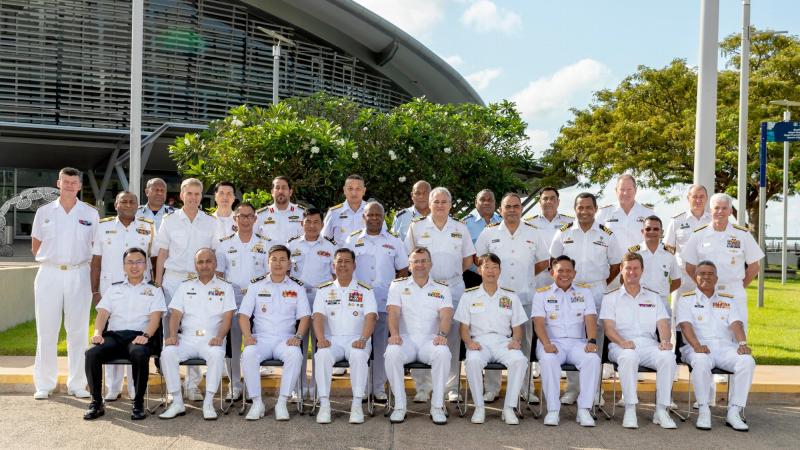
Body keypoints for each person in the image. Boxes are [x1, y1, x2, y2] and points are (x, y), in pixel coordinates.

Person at [31, 167, 99, 400]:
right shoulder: (44, 212)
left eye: (74, 182)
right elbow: (35, 246)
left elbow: (95, 248)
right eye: (65, 181)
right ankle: (45, 384)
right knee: (46, 330)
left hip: (78, 273)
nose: (70, 185)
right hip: (49, 273)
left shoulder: (90, 213)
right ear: (58, 183)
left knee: (78, 331)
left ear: (80, 186)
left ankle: (77, 383)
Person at [474, 193, 549, 403]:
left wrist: (527, 275)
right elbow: (478, 258)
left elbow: (544, 261)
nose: (512, 210)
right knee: (494, 339)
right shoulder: (489, 233)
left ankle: (525, 388)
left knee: (524, 343)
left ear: (522, 209)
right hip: (495, 297)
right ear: (500, 210)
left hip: (524, 296)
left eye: (516, 206)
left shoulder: (533, 233)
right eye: (508, 207)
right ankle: (492, 388)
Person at [549, 192, 622, 404]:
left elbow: (616, 265)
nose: (584, 211)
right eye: (580, 207)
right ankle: (573, 389)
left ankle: (594, 390)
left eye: (588, 207)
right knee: (572, 336)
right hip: (569, 291)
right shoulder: (563, 233)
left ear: (595, 209)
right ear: (575, 209)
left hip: (597, 291)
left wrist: (601, 283)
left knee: (595, 340)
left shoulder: (607, 234)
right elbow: (554, 261)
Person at [405, 186, 475, 402]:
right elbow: (410, 257)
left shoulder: (460, 228)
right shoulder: (416, 227)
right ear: (429, 203)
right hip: (424, 288)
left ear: (450, 205)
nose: (440, 205)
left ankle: (450, 387)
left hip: (453, 288)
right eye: (436, 201)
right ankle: (423, 387)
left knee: (452, 338)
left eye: (445, 202)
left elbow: (468, 259)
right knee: (423, 333)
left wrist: (450, 277)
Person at [154, 178, 219, 399]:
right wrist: (158, 284)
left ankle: (192, 385)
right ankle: (172, 388)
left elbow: (215, 253)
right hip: (173, 280)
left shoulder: (211, 222)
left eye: (197, 194)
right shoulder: (169, 220)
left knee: (195, 330)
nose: (193, 198)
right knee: (169, 332)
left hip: (199, 281)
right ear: (181, 195)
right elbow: (162, 253)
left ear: (202, 197)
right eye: (189, 193)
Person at [83, 248, 165, 421]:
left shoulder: (155, 290)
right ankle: (96, 403)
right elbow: (102, 314)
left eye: (139, 262)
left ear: (145, 265)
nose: (134, 266)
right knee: (92, 353)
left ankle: (138, 404)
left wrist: (146, 335)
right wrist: (97, 333)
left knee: (140, 352)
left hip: (139, 336)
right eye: (130, 262)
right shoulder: (114, 289)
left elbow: (155, 319)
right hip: (114, 336)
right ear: (124, 266)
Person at [90, 191, 156, 401]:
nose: (128, 204)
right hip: (111, 291)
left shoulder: (148, 227)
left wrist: (155, 286)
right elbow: (96, 262)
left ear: (138, 205)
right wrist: (95, 291)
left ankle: (136, 388)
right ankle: (113, 387)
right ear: (116, 204)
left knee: (135, 334)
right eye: (123, 201)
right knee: (110, 336)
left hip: (141, 290)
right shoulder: (103, 226)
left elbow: (153, 260)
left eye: (132, 201)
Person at [600, 252, 677, 429]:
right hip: (619, 345)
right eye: (628, 268)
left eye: (636, 268)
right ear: (621, 269)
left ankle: (661, 410)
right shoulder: (610, 298)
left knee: (668, 357)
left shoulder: (653, 297)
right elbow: (609, 328)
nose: (632, 272)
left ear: (642, 271)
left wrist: (665, 341)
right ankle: (630, 409)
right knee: (628, 357)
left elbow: (663, 323)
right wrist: (622, 342)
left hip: (648, 345)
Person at [158, 248, 236, 420]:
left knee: (216, 355)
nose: (205, 265)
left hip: (212, 339)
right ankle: (177, 402)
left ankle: (208, 403)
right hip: (187, 338)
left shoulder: (225, 287)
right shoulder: (185, 287)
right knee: (168, 352)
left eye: (208, 261)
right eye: (200, 262)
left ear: (215, 263)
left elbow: (227, 318)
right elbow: (175, 314)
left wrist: (220, 337)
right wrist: (172, 335)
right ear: (195, 265)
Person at [676, 260, 754, 431]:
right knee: (701, 360)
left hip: (725, 347)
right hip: (695, 347)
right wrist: (697, 345)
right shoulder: (686, 299)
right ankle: (704, 409)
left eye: (710, 274)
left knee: (747, 361)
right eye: (702, 273)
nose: (706, 277)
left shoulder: (728, 300)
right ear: (695, 277)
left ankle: (734, 411)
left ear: (716, 278)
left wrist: (742, 344)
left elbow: (736, 324)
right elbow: (685, 325)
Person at [239, 245, 311, 421]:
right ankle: (257, 403)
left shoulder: (297, 288)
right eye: (274, 259)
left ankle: (282, 403)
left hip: (285, 340)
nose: (278, 263)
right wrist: (247, 336)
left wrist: (298, 337)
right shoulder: (256, 286)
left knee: (295, 355)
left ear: (289, 264)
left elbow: (305, 317)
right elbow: (243, 315)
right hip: (260, 338)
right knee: (248, 354)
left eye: (282, 260)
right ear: (268, 262)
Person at [345, 201, 408, 401]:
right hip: (358, 303)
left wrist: (394, 291)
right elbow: (344, 266)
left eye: (378, 215)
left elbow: (403, 269)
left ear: (383, 218)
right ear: (363, 217)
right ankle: (361, 387)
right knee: (360, 344)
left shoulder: (395, 241)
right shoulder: (352, 240)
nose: (374, 218)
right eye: (370, 215)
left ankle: (379, 387)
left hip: (383, 301)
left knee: (381, 346)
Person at [384, 247, 454, 424]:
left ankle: (437, 406)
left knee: (443, 353)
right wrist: (394, 334)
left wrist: (442, 334)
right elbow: (393, 312)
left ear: (430, 264)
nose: (420, 265)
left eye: (424, 261)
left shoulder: (442, 288)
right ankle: (400, 406)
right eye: (416, 261)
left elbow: (446, 314)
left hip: (430, 339)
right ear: (409, 265)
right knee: (391, 353)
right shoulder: (397, 286)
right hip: (405, 339)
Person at [456, 253, 528, 425]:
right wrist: (469, 343)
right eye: (486, 267)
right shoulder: (469, 296)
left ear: (500, 270)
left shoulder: (510, 296)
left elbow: (518, 327)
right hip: (479, 342)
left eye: (494, 267)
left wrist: (516, 340)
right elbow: (463, 328)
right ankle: (479, 407)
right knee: (472, 362)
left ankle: (509, 408)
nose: (490, 271)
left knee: (520, 360)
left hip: (504, 342)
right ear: (480, 270)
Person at [532, 255, 600, 427]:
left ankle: (584, 409)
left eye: (569, 270)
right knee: (548, 360)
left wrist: (592, 340)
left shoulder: (584, 292)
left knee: (593, 359)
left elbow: (590, 318)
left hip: (578, 342)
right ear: (551, 273)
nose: (565, 274)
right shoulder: (541, 294)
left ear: (574, 273)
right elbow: (538, 323)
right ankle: (553, 410)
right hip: (552, 342)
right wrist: (546, 344)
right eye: (560, 270)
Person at [312, 248, 378, 424]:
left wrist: (363, 339)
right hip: (332, 339)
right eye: (339, 261)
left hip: (357, 339)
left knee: (357, 356)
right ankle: (324, 404)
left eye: (347, 261)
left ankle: (356, 405)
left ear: (354, 265)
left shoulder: (365, 290)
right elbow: (317, 316)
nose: (343, 265)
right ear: (333, 265)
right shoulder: (324, 290)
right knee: (322, 355)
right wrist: (320, 339)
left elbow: (371, 317)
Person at [214, 202, 271, 401]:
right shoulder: (224, 243)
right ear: (235, 219)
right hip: (233, 297)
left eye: (249, 216)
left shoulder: (266, 243)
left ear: (255, 219)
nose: (245, 220)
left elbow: (270, 274)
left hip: (259, 299)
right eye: (241, 216)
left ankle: (251, 384)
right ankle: (235, 384)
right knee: (233, 343)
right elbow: (219, 274)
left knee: (253, 343)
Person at [682, 193, 764, 328]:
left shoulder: (742, 234)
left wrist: (739, 285)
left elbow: (754, 266)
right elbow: (690, 266)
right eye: (716, 208)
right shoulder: (698, 234)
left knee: (737, 335)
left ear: (731, 211)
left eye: (724, 208)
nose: (720, 212)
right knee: (706, 332)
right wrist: (703, 285)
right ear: (710, 210)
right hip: (706, 293)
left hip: (734, 291)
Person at [287, 207, 337, 397]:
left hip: (320, 300)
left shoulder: (330, 247)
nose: (312, 225)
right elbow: (286, 273)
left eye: (316, 222)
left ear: (322, 225)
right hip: (297, 300)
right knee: (298, 343)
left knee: (320, 344)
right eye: (308, 221)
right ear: (302, 223)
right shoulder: (291, 246)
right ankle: (298, 387)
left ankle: (317, 387)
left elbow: (335, 276)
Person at [664, 184, 711, 300]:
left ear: (706, 198)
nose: (698, 200)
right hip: (683, 277)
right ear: (688, 198)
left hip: (707, 277)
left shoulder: (713, 221)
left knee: (706, 315)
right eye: (695, 197)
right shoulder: (677, 221)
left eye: (701, 197)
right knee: (678, 314)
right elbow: (668, 247)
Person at [628, 215, 681, 315]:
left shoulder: (669, 254)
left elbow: (677, 281)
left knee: (663, 330)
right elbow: (624, 280)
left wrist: (663, 292)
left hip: (662, 304)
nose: (652, 232)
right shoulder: (634, 253)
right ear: (642, 231)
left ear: (662, 232)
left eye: (656, 229)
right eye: (648, 229)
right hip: (639, 303)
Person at [523, 186, 574, 287]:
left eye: (552, 198)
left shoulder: (570, 222)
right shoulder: (528, 223)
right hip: (539, 276)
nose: (549, 201)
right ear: (539, 202)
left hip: (564, 275)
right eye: (545, 199)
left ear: (558, 202)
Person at [596, 174, 654, 252]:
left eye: (629, 189)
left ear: (635, 190)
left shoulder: (648, 213)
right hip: (611, 263)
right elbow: (595, 238)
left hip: (640, 261)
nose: (625, 193)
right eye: (622, 189)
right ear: (616, 190)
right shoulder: (604, 212)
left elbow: (654, 240)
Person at [461, 189, 501, 289]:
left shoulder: (503, 222)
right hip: (472, 277)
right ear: (476, 203)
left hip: (499, 277)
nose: (486, 202)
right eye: (482, 200)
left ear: (494, 203)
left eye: (490, 200)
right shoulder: (465, 224)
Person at [256, 176, 304, 245]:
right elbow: (254, 239)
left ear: (290, 192)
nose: (280, 191)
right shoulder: (260, 215)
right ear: (272, 192)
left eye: (284, 188)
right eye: (277, 188)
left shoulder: (302, 213)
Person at [323, 174, 367, 246]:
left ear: (364, 191)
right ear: (344, 190)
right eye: (350, 188)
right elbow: (324, 239)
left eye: (358, 189)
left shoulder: (374, 212)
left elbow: (384, 238)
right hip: (342, 255)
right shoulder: (334, 212)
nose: (354, 193)